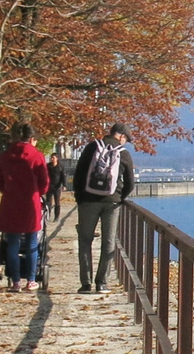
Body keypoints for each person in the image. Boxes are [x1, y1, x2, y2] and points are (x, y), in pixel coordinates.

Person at [73, 122, 136, 294]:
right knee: (108, 242)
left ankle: (85, 284)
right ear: (121, 136)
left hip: (88, 201)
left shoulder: (91, 147)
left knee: (85, 241)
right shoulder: (124, 154)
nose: (125, 143)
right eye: (126, 139)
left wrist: (80, 198)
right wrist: (120, 198)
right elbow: (130, 183)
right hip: (112, 203)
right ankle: (102, 283)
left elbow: (78, 175)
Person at [0, 124, 50, 293]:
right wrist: (37, 192)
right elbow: (44, 183)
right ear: (32, 139)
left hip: (10, 202)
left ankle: (15, 281)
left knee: (12, 242)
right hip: (30, 203)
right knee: (32, 241)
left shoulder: (5, 156)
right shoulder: (37, 156)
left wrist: (8, 190)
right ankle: (31, 280)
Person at [45, 155, 68, 222]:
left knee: (57, 202)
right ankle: (47, 216)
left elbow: (63, 176)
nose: (52, 159)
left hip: (57, 187)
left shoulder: (60, 167)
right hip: (49, 186)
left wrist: (64, 185)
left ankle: (56, 217)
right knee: (48, 202)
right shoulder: (48, 166)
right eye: (51, 158)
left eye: (53, 158)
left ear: (57, 158)